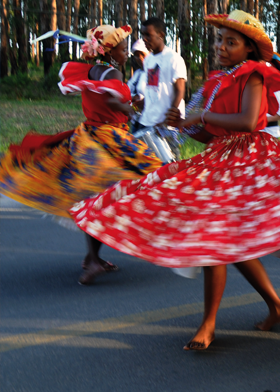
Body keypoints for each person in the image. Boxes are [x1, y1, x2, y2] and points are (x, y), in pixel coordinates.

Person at [70, 10, 280, 351]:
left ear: (249, 49)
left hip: (252, 161)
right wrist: (186, 124)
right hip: (222, 159)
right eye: (220, 40)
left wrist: (199, 115)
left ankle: (209, 323)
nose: (221, 46)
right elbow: (211, 135)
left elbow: (249, 122)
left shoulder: (254, 74)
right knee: (227, 243)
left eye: (230, 42)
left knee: (217, 241)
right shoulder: (217, 80)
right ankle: (277, 308)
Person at [0, 25, 162, 285]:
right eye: (122, 50)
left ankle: (92, 258)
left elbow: (103, 97)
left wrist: (129, 100)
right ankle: (97, 258)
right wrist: (132, 107)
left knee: (96, 197)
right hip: (109, 139)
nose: (125, 54)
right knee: (145, 180)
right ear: (109, 52)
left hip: (88, 136)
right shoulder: (113, 70)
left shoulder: (93, 69)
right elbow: (110, 101)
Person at [138, 17, 187, 161]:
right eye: (143, 35)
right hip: (147, 121)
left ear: (161, 35)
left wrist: (167, 120)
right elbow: (152, 88)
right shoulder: (148, 59)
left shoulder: (174, 58)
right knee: (147, 168)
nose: (144, 39)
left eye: (148, 35)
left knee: (170, 167)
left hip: (165, 126)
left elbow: (180, 91)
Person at [128, 39, 149, 133]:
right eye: (136, 55)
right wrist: (134, 98)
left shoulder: (155, 72)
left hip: (150, 121)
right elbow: (127, 91)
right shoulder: (137, 74)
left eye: (142, 54)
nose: (140, 58)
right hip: (136, 119)